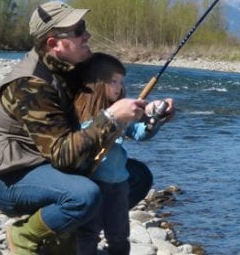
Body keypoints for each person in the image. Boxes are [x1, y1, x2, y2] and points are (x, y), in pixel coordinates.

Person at [0, 1, 170, 254]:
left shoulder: (72, 66)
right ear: (53, 43)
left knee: (137, 176)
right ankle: (25, 234)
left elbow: (107, 103)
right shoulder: (29, 85)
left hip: (46, 164)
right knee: (84, 196)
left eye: (84, 27)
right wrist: (111, 118)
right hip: (9, 176)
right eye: (77, 31)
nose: (87, 34)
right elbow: (64, 156)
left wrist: (152, 114)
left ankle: (67, 230)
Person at [71, 53, 173, 255]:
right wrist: (114, 119)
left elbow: (138, 133)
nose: (119, 87)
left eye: (121, 82)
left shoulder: (120, 112)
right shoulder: (86, 114)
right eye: (113, 81)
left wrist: (154, 121)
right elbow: (84, 136)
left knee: (119, 233)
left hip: (119, 184)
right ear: (96, 84)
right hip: (94, 184)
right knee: (89, 232)